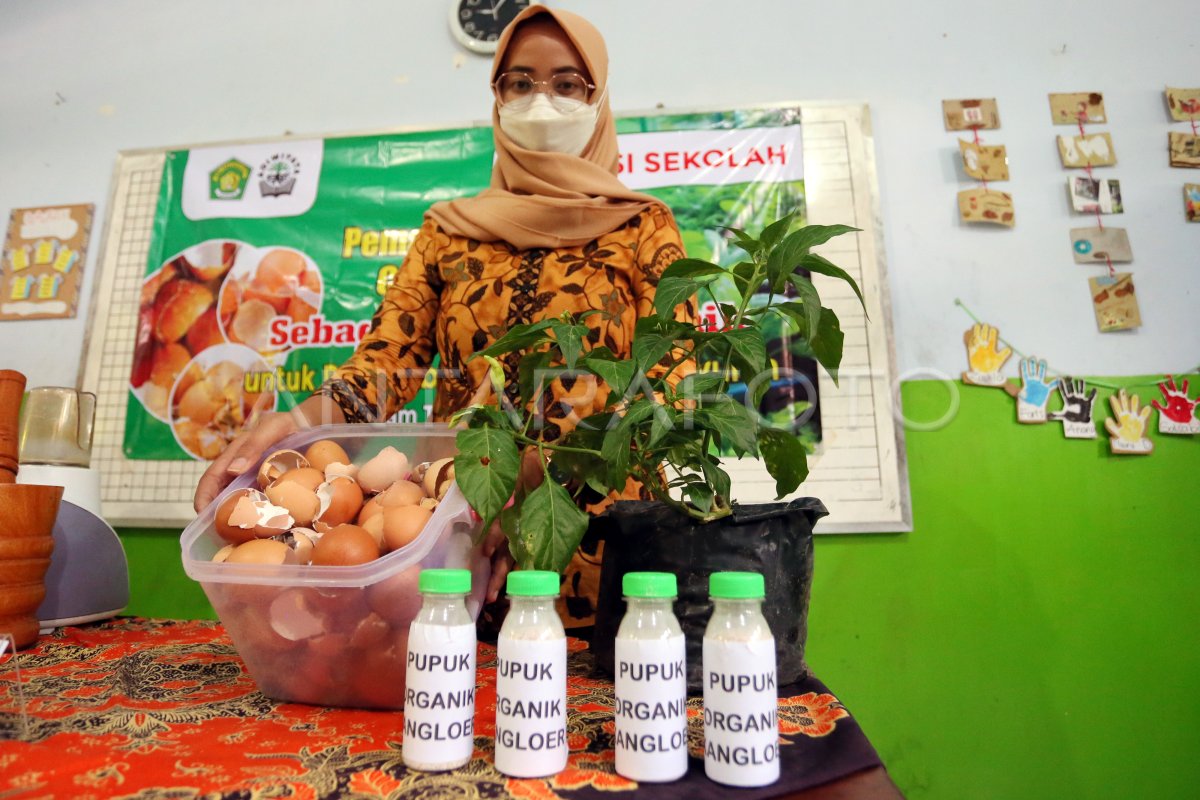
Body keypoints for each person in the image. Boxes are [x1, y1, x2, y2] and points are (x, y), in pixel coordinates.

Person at [193, 5, 689, 630]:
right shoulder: (447, 233)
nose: (542, 101)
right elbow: (388, 362)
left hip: (608, 545)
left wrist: (544, 470)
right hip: (463, 533)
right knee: (445, 696)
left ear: (598, 97)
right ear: (496, 96)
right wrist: (294, 424)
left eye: (567, 84)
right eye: (519, 82)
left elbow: (673, 379)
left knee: (615, 702)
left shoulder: (643, 228)